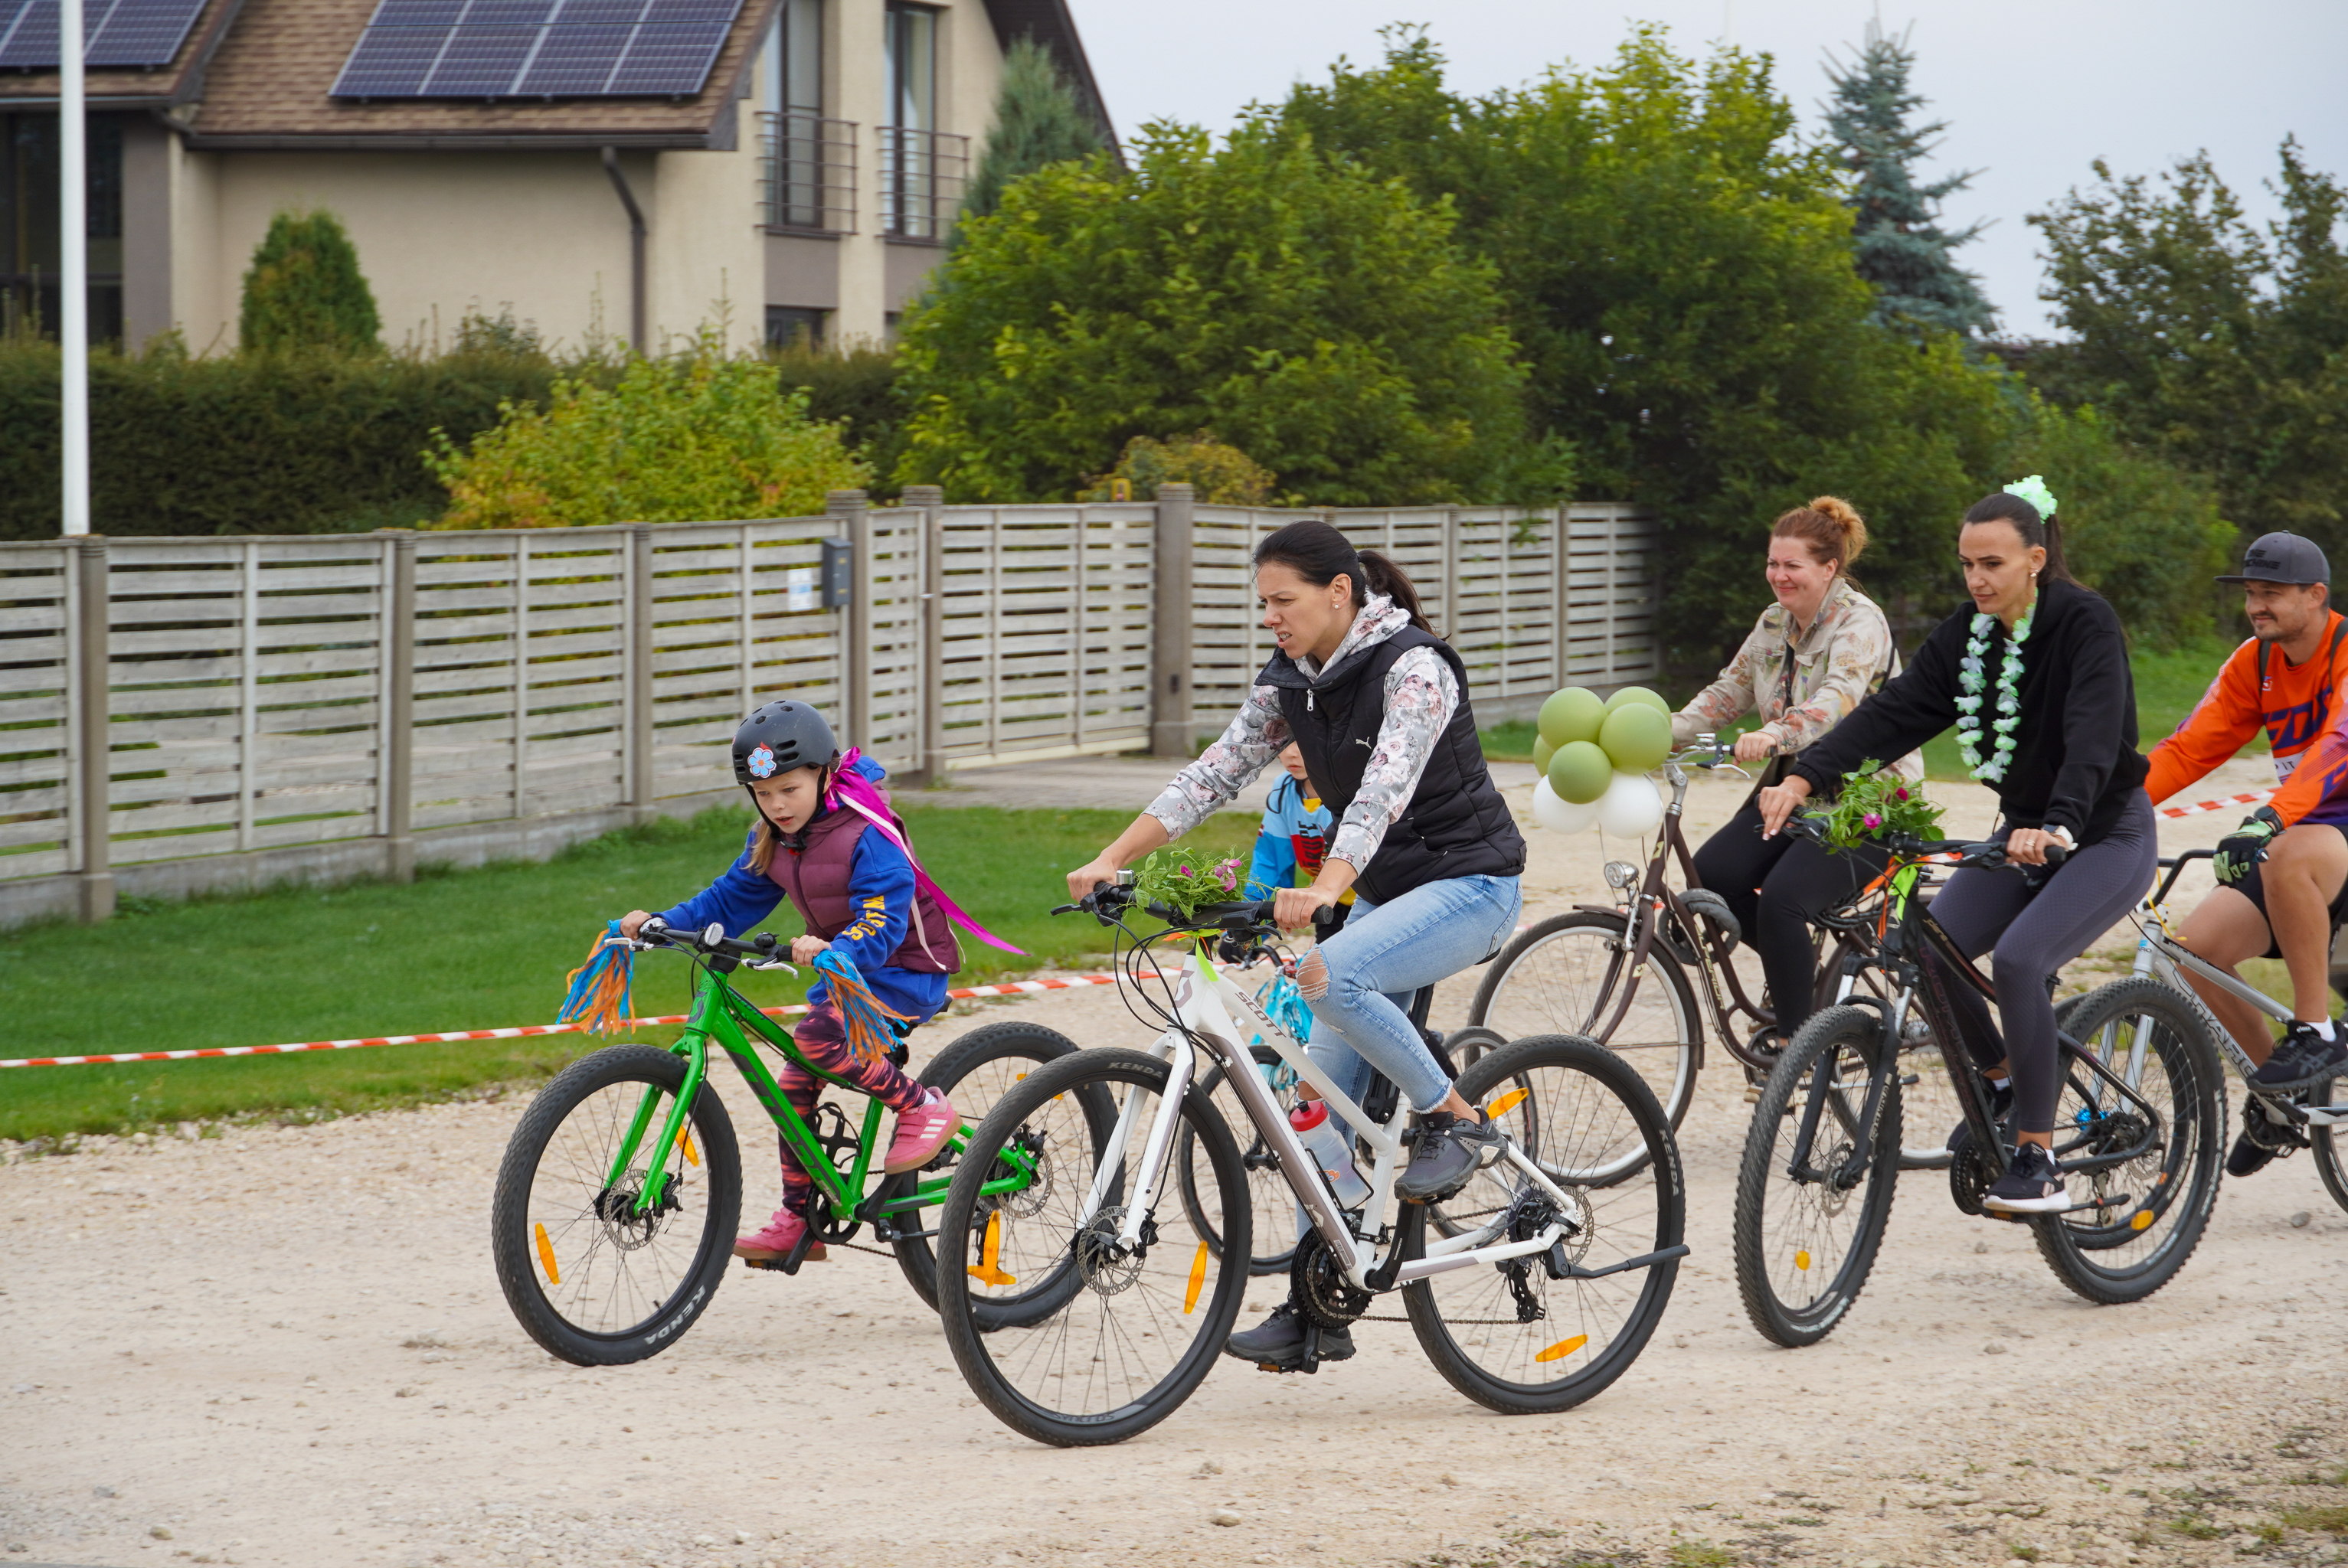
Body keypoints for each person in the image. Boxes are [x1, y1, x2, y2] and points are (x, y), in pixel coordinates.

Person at [1064, 518, 1526, 1370]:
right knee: (1307, 1114)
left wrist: (1325, 886)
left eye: (1284, 601)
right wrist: (1112, 857)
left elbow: (1382, 791)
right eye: (1262, 604)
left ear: (1339, 592)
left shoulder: (1414, 669)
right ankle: (1324, 1303)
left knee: (1329, 971)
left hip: (1472, 884)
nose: (1270, 617)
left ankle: (1457, 1121)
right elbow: (1213, 772)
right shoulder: (1292, 681)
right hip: (1388, 895)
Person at [1758, 481, 2156, 1216]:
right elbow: (1893, 715)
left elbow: (2096, 734)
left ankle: (2039, 1156)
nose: (1976, 579)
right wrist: (1807, 778)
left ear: (2035, 560)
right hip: (2023, 833)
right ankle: (2004, 1080)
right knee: (1930, 945)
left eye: (1993, 564)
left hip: (2102, 831)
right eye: (1968, 563)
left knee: (2020, 958)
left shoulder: (2083, 622)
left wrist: (2062, 822)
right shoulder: (1967, 638)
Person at [619, 701, 961, 1265]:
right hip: (843, 975)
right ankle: (801, 1221)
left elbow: (881, 921)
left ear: (824, 775)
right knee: (795, 1083)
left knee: (816, 1041)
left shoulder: (867, 834)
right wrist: (662, 923)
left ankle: (922, 1106)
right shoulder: (775, 839)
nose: (777, 805)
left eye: (789, 789)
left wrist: (839, 949)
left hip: (900, 974)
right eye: (764, 793)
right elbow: (728, 900)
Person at [1672, 496, 1924, 1050]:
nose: (1778, 576)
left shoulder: (1861, 623)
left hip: (1871, 796)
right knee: (1712, 876)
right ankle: (1804, 981)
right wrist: (1661, 734)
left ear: (1829, 568)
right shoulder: (1773, 622)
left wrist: (1776, 735)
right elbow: (1726, 693)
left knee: (1783, 899)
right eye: (1772, 563)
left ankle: (1799, 1043)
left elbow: (1838, 700)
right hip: (1794, 787)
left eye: (1793, 565)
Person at [2142, 533, 2348, 1174]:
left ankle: (2314, 1032)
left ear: (2316, 596)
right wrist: (2102, 811)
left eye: (2272, 594)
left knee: (2284, 853)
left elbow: (2338, 746)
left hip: (2313, 833)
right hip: (2304, 834)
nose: (2257, 606)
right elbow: (2188, 748)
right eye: (2252, 594)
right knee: (2196, 953)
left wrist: (2269, 818)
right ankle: (2280, 1102)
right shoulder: (2254, 663)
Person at [1245, 743, 1340, 900]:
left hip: (1370, 897)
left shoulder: (1354, 790)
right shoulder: (1283, 790)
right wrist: (1249, 912)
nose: (1290, 753)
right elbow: (1271, 859)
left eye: (1300, 740)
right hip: (1326, 897)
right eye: (1283, 742)